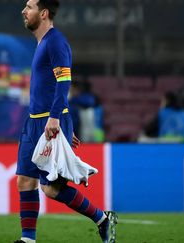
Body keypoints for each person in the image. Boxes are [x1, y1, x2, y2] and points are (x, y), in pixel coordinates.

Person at [15, 1, 117, 243]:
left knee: (51, 188)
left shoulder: (55, 41)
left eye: (29, 6)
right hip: (34, 123)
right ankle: (28, 240)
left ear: (43, 13)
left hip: (49, 121)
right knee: (25, 181)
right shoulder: (42, 43)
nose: (23, 10)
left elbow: (64, 81)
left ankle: (103, 219)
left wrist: (56, 118)